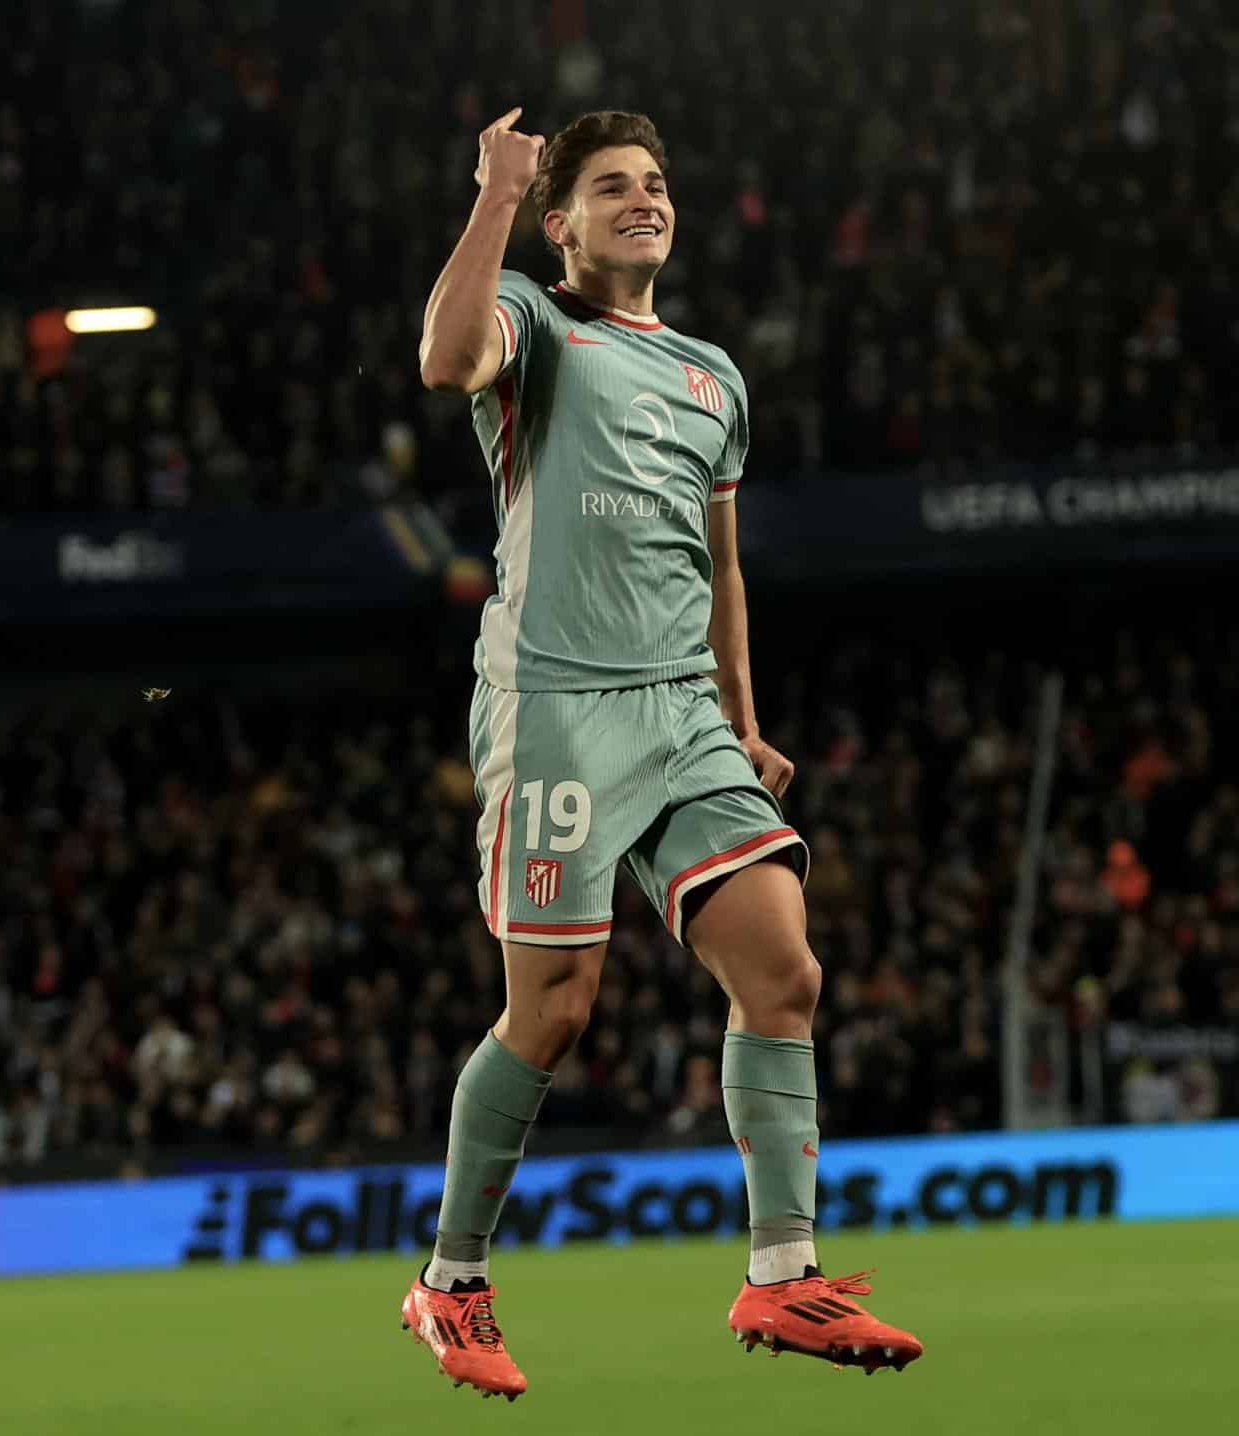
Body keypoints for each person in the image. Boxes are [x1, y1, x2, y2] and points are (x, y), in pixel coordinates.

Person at [400, 106, 923, 1400]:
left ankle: (782, 1270)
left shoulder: (713, 375)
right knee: (555, 1012)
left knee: (784, 969)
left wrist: (742, 716)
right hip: (559, 707)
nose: (644, 200)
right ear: (564, 220)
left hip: (684, 710)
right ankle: (451, 1281)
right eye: (611, 187)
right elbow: (440, 355)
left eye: (656, 184)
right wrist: (497, 199)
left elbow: (722, 564)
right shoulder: (535, 321)